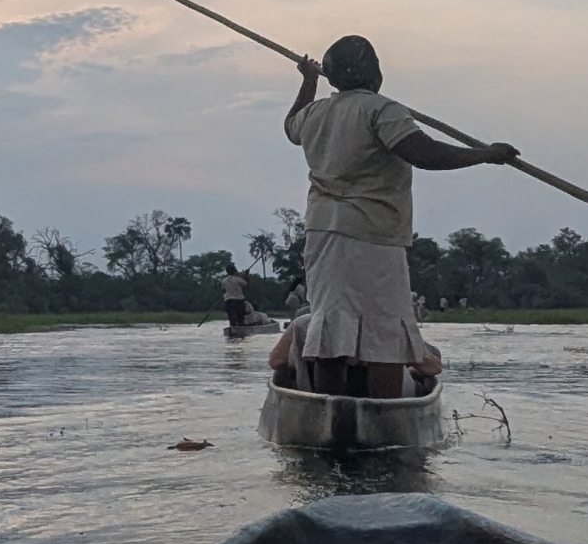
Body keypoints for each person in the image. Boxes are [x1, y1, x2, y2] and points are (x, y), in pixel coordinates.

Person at [284, 35, 518, 399]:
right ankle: (382, 415)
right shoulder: (382, 110)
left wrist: (307, 81)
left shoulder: (314, 114)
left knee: (330, 325)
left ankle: (329, 409)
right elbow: (424, 154)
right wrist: (484, 154)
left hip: (322, 234)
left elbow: (290, 126)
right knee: (385, 333)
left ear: (331, 77)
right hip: (372, 233)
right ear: (375, 74)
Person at [271, 312, 444, 397]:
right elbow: (433, 367)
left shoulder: (303, 323)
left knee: (283, 370)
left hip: (320, 390)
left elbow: (276, 360)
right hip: (383, 393)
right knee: (425, 372)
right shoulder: (388, 322)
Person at [220, 263, 250, 328]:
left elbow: (224, 291)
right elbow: (246, 284)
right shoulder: (238, 279)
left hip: (228, 301)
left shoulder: (223, 281)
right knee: (240, 317)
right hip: (238, 300)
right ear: (234, 271)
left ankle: (233, 328)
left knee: (232, 318)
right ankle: (241, 328)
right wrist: (246, 275)